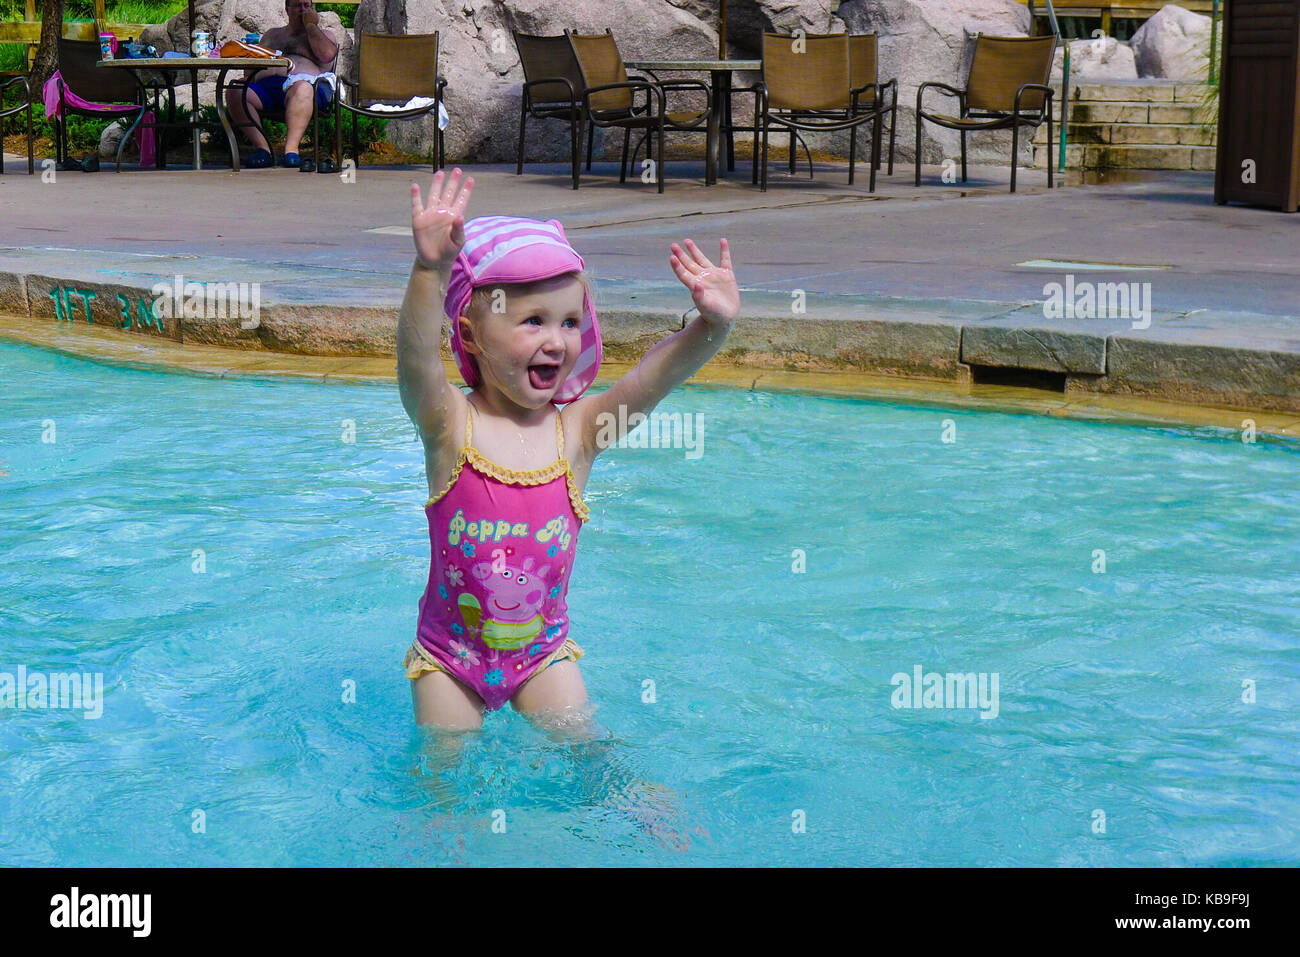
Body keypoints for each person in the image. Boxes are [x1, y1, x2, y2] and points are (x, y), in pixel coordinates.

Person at [398, 169, 740, 734]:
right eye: (533, 321)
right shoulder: (450, 425)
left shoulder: (578, 432)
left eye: (571, 322)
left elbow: (652, 381)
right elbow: (415, 366)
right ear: (472, 333)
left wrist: (712, 328)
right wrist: (429, 270)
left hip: (542, 656)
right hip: (449, 657)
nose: (556, 340)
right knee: (443, 783)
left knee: (590, 755)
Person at [225, 0, 339, 169]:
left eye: (306, 5)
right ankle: (263, 149)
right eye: (297, 5)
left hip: (306, 90)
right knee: (235, 90)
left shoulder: (324, 36)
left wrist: (311, 27)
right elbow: (252, 68)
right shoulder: (272, 35)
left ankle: (291, 151)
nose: (302, 10)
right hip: (269, 89)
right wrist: (247, 76)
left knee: (302, 87)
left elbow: (327, 55)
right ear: (287, 9)